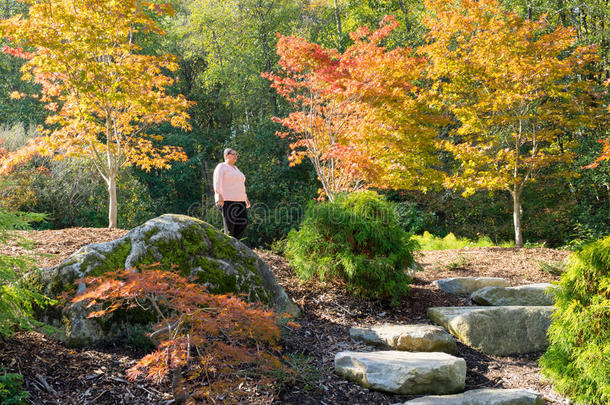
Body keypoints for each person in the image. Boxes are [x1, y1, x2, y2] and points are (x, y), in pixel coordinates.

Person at [213, 148, 251, 239]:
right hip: (227, 200)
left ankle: (235, 245)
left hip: (240, 200)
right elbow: (217, 182)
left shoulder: (236, 169)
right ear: (226, 156)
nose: (235, 156)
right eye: (233, 154)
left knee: (243, 223)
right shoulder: (221, 166)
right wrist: (219, 195)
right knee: (230, 227)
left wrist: (246, 198)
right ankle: (227, 247)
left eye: (236, 154)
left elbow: (240, 184)